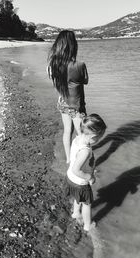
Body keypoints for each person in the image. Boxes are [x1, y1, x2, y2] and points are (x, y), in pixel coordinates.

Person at [48, 30, 89, 163]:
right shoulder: (79, 65)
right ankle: (82, 162)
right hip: (76, 105)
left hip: (62, 102)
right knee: (82, 134)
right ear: (73, 45)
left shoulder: (53, 65)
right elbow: (85, 81)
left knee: (67, 131)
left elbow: (55, 83)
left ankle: (68, 159)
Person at [65, 114, 107, 231]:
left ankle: (75, 213)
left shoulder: (77, 139)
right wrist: (89, 177)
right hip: (80, 181)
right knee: (87, 204)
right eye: (99, 138)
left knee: (78, 198)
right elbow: (76, 169)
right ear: (93, 136)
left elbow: (75, 164)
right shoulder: (85, 151)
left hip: (71, 178)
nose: (98, 140)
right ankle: (88, 225)